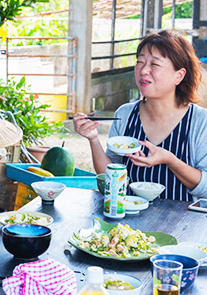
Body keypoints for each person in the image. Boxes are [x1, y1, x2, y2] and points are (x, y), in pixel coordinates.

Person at [73, 29, 207, 201]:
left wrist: (170, 160)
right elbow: (110, 177)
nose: (143, 70)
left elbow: (205, 190)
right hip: (128, 224)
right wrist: (93, 139)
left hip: (180, 225)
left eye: (155, 64)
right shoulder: (126, 114)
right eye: (140, 62)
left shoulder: (199, 122)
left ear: (179, 75)